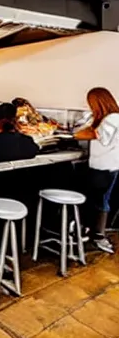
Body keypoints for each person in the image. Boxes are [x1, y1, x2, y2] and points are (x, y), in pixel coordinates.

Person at [74, 87, 119, 254]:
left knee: (102, 201)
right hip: (101, 165)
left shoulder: (113, 118)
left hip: (107, 167)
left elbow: (99, 137)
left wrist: (77, 135)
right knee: (97, 199)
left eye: (91, 103)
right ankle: (92, 231)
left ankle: (100, 236)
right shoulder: (105, 118)